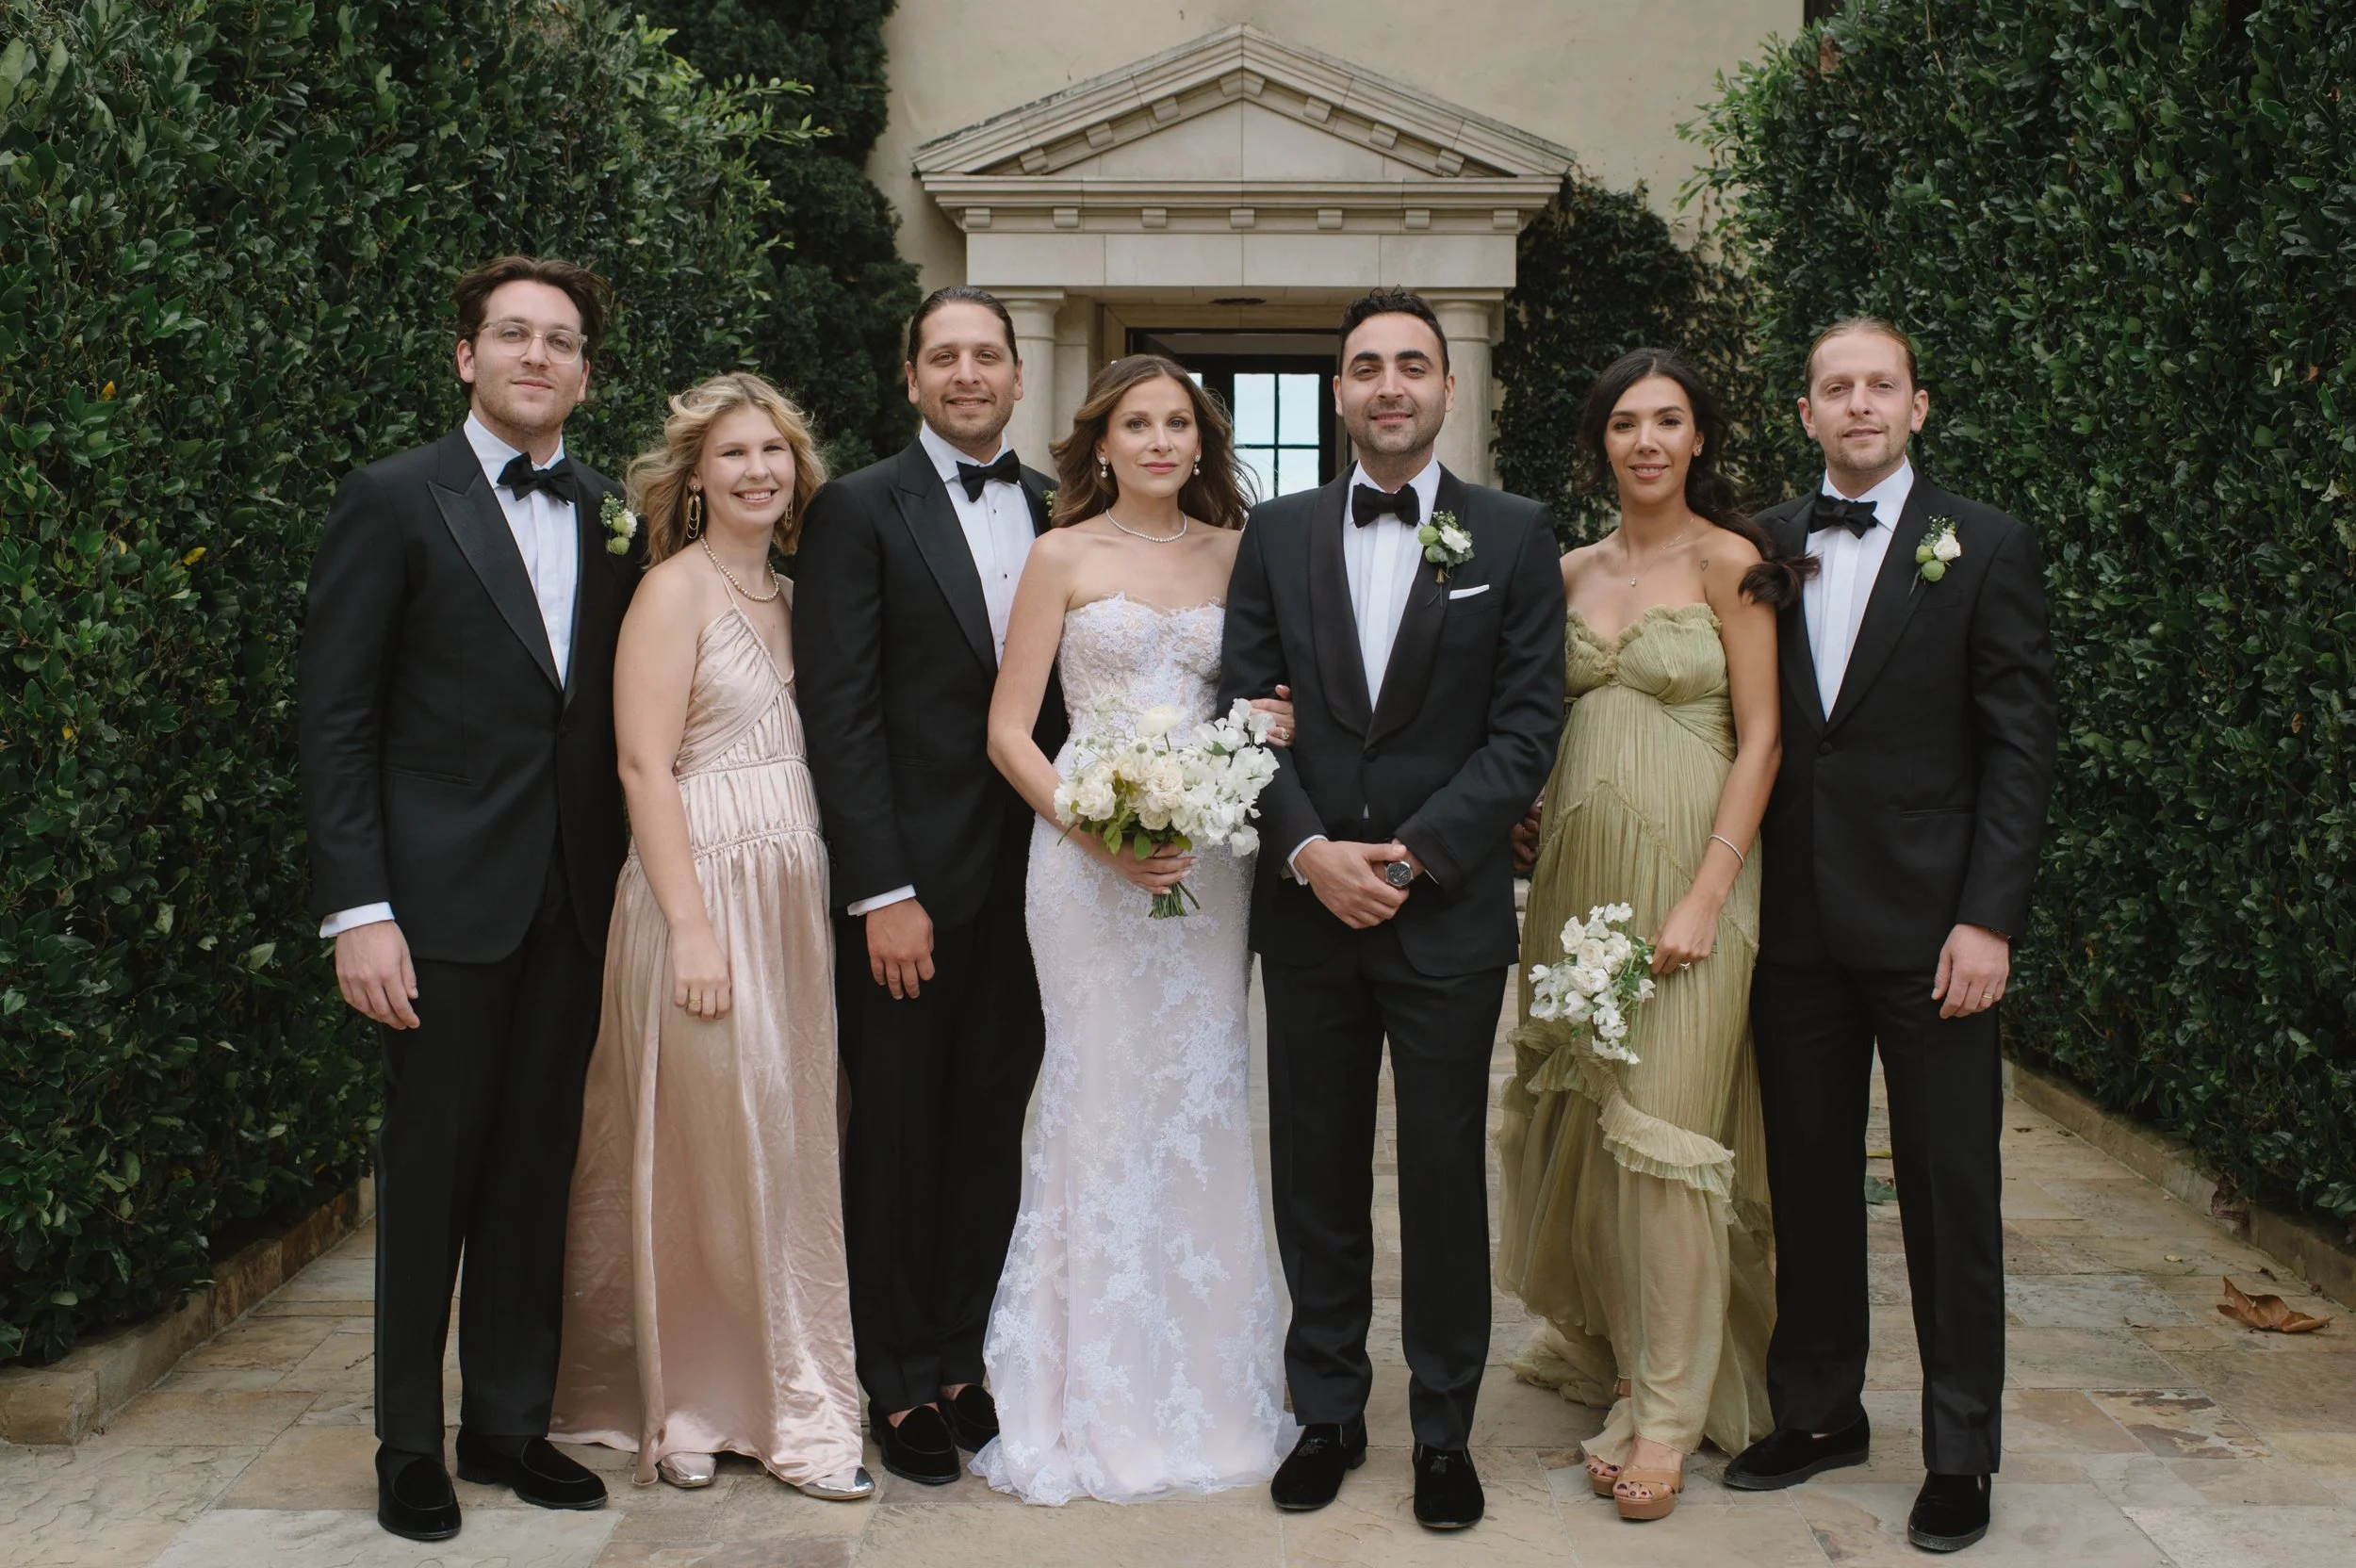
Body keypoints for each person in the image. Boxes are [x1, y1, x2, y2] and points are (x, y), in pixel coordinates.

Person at [1216, 290, 1566, 1531]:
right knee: (1314, 1169)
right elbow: (1242, 708)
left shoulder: (1514, 534)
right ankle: (1326, 1410)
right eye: (1366, 366)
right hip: (1309, 909)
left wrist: (1411, 862)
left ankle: (1442, 1427)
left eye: (1412, 364)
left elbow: (1526, 728)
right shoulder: (1277, 533)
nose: (1390, 385)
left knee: (1441, 1174)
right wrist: (1310, 850)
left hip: (1445, 916)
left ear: (1446, 389)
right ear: (1339, 394)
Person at [300, 256, 630, 1541]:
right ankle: (407, 1442)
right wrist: (359, 910)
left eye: (561, 340)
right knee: (429, 1176)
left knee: (536, 1170)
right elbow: (336, 720)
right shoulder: (391, 499)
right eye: (512, 334)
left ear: (585, 374)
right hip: (436, 908)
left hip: (573, 900)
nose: (536, 355)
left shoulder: (612, 512)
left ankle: (505, 1420)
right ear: (466, 357)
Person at [1724, 318, 2056, 1556]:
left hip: (1935, 933)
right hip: (1794, 924)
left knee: (1949, 1191)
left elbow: (2019, 747)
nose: (1858, 404)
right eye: (1836, 387)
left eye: (1880, 385)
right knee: (1807, 1180)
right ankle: (1820, 1411)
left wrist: (1988, 917)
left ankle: (1960, 1450)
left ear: (1916, 407)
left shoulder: (1986, 545)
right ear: (1805, 413)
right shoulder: (1758, 543)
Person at [973, 355, 1296, 1504]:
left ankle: (1210, 1389)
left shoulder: (1242, 554)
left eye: (1178, 423)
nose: (1160, 440)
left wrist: (1264, 723)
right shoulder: (1059, 556)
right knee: (1097, 1093)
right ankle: (1086, 1393)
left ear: (1202, 442)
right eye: (1136, 423)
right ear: (1100, 443)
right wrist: (1096, 833)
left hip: (1207, 863)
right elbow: (1010, 731)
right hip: (1082, 867)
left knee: (1200, 1097)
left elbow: (1265, 695)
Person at [548, 374, 869, 1500]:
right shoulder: (671, 590)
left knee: (784, 1146)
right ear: (694, 477)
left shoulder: (803, 595)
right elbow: (642, 764)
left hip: (792, 906)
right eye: (731, 453)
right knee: (696, 1151)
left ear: (798, 471)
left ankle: (786, 1395)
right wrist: (690, 928)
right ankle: (682, 1401)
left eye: (772, 451)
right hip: (701, 894)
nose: (755, 470)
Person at [1495, 349, 1798, 1523]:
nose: (1647, 441)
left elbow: (1762, 737)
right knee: (1591, 1123)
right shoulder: (1565, 570)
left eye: (1668, 420)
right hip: (1576, 885)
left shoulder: (1732, 564)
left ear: (1699, 437)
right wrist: (1525, 808)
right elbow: (1534, 717)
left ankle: (1668, 1415)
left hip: (1692, 880)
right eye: (1625, 423)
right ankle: (1627, 1361)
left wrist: (1708, 890)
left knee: (1665, 1133)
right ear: (1601, 442)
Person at [791, 287, 1066, 1486]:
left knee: (991, 1124)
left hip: (1041, 887)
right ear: (911, 379)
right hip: (909, 886)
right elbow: (839, 710)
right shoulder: (857, 509)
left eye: (985, 355)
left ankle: (962, 1356)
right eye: (943, 356)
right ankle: (895, 1374)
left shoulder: (1061, 508)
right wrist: (880, 888)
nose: (966, 374)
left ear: (1017, 375)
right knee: (898, 1133)